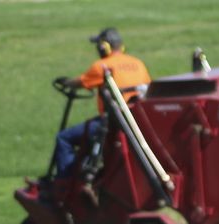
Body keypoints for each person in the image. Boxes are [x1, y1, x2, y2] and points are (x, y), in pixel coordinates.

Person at [51, 27, 151, 180]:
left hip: (112, 123)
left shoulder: (102, 66)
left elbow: (81, 82)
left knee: (64, 138)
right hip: (137, 121)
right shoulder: (138, 63)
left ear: (104, 46)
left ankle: (64, 183)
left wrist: (66, 82)